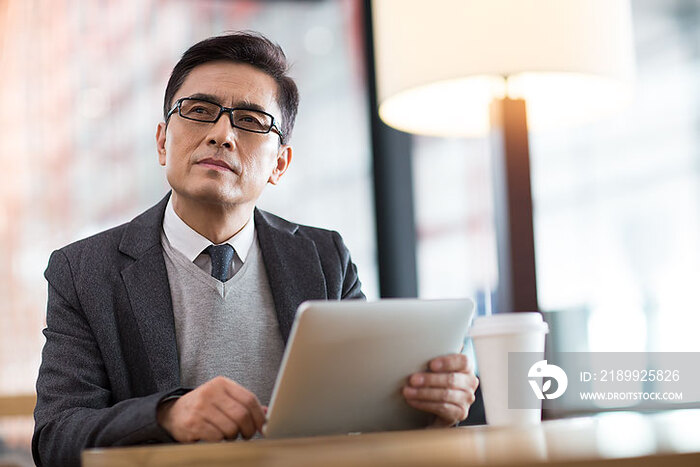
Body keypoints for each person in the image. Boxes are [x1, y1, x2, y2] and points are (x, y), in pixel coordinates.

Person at [32, 32, 479, 467]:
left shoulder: (325, 258)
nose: (222, 134)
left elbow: (361, 421)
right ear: (163, 140)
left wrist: (426, 417)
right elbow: (56, 437)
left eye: (249, 120)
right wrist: (166, 417)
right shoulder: (83, 270)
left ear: (279, 164)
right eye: (200, 110)